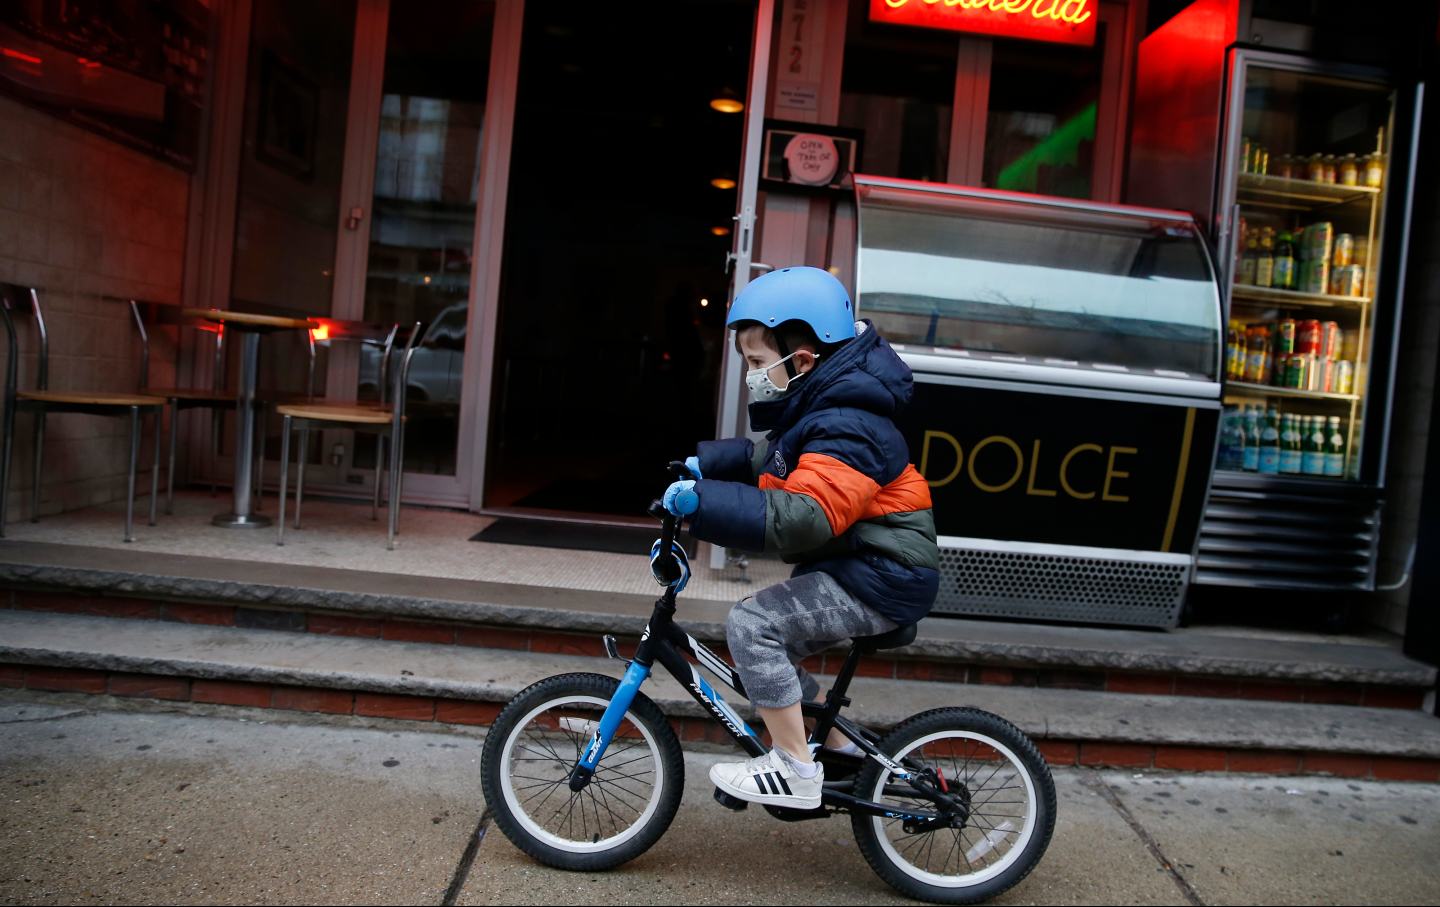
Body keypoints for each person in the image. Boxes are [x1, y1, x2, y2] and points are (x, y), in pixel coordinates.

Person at [660, 266, 940, 810]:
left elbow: (807, 515)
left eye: (758, 363)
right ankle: (832, 748)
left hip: (883, 575)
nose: (751, 374)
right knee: (769, 644)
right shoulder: (824, 408)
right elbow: (776, 457)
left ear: (803, 360)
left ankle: (794, 769)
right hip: (862, 566)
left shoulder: (851, 422)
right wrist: (705, 464)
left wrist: (704, 503)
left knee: (754, 624)